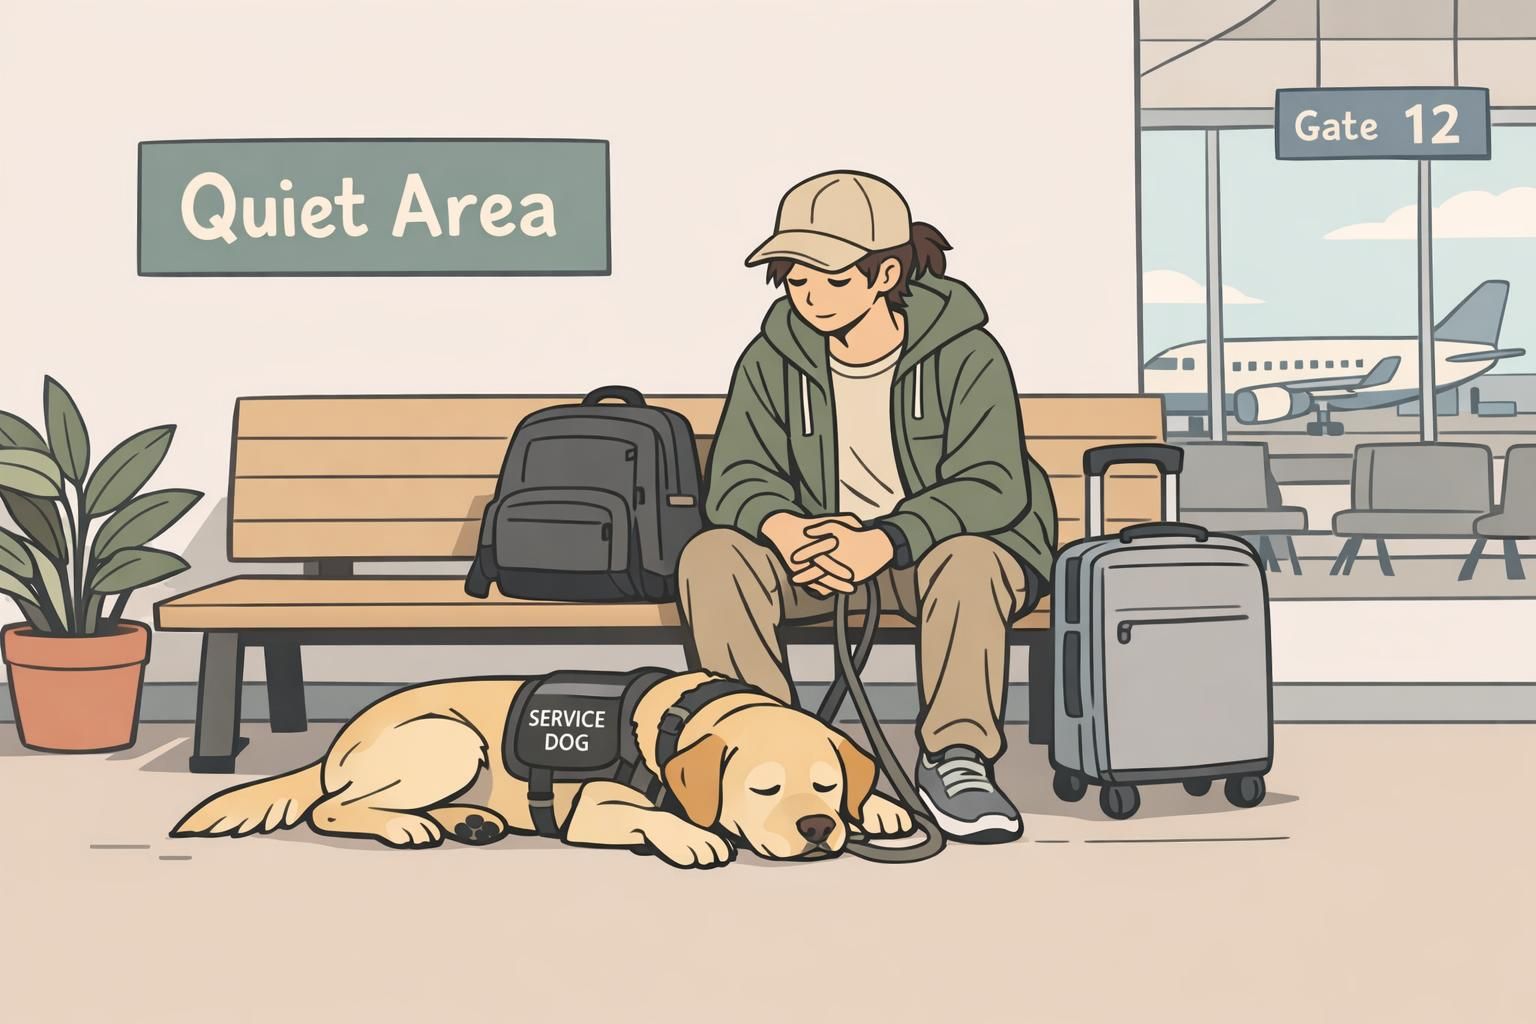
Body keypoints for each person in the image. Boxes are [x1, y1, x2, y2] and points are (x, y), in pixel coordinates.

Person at [678, 170, 1056, 843]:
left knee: (968, 562)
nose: (810, 297)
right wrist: (789, 531)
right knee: (714, 556)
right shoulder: (771, 360)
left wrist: (881, 542)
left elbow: (993, 484)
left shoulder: (966, 353)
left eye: (832, 279)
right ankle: (762, 748)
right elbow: (735, 478)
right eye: (796, 280)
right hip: (821, 557)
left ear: (884, 274)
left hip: (930, 559)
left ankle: (956, 759)